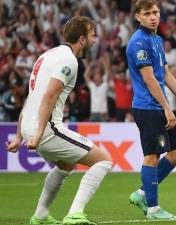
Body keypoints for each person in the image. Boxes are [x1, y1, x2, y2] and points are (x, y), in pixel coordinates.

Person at [6, 16, 113, 225]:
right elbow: (49, 95)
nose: (94, 40)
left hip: (30, 125)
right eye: (92, 35)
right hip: (46, 129)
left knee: (66, 164)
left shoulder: (46, 55)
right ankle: (75, 214)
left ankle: (41, 215)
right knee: (104, 159)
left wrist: (19, 136)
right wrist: (38, 134)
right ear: (81, 39)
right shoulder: (69, 60)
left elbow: (32, 96)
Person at [126, 0, 176, 220]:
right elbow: (149, 79)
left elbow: (165, 74)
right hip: (148, 107)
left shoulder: (157, 40)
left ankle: (141, 193)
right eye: (147, 13)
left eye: (156, 12)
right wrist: (167, 107)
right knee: (152, 156)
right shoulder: (138, 42)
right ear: (138, 17)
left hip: (160, 106)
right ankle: (153, 209)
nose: (153, 17)